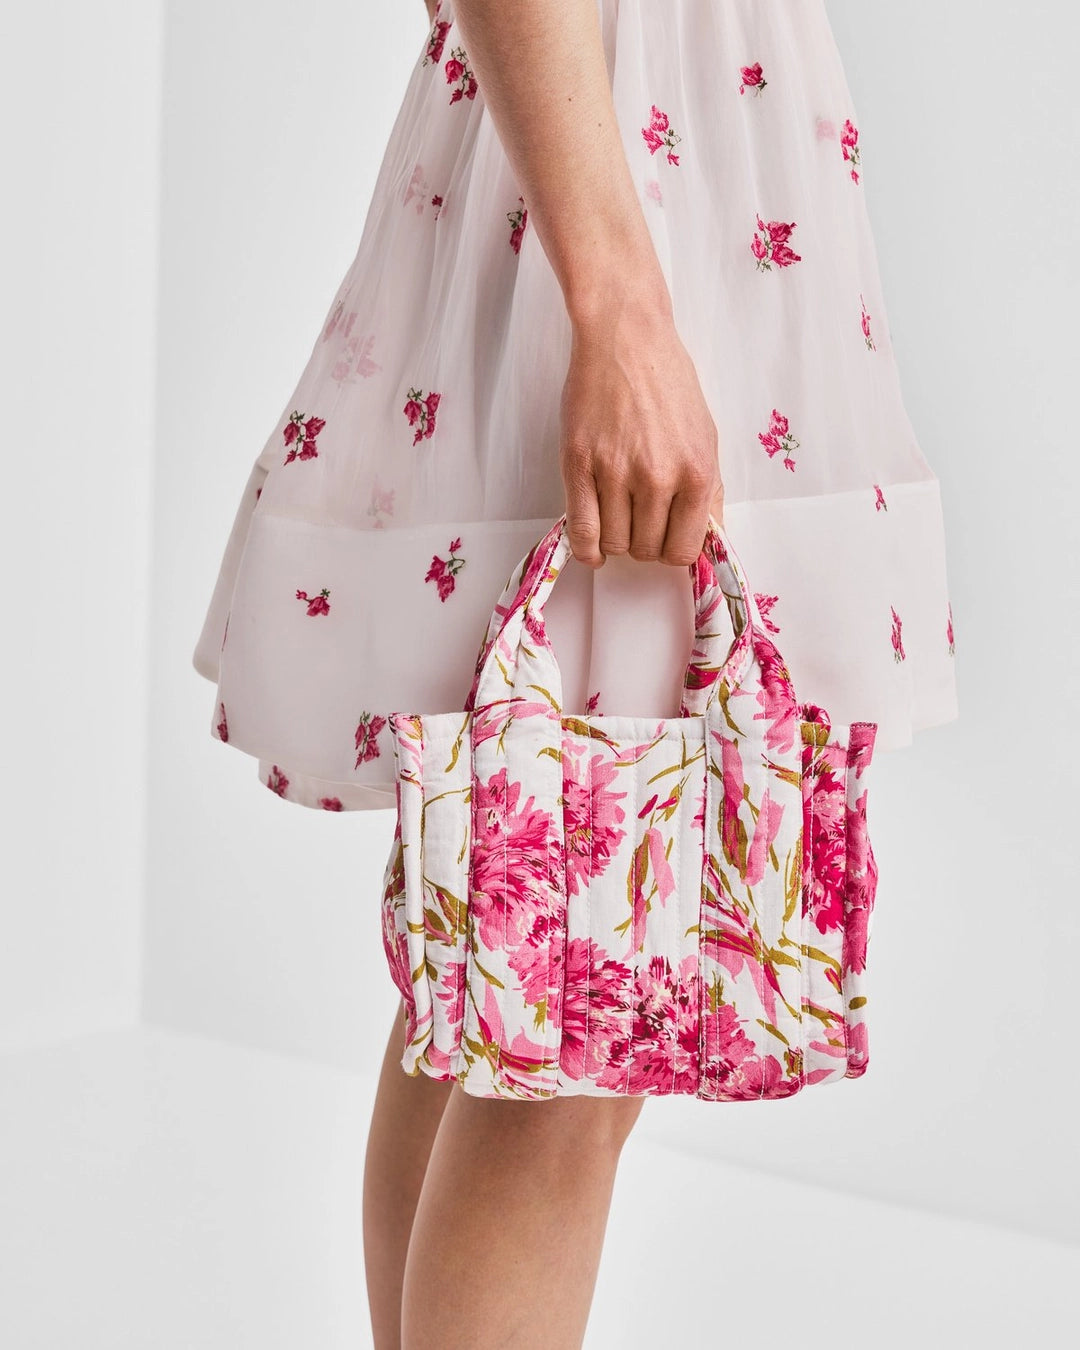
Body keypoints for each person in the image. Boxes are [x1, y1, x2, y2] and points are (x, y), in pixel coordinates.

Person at [191, 1, 960, 1345]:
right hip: (633, 210)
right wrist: (621, 310)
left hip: (638, 184)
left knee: (510, 990)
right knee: (574, 1009)